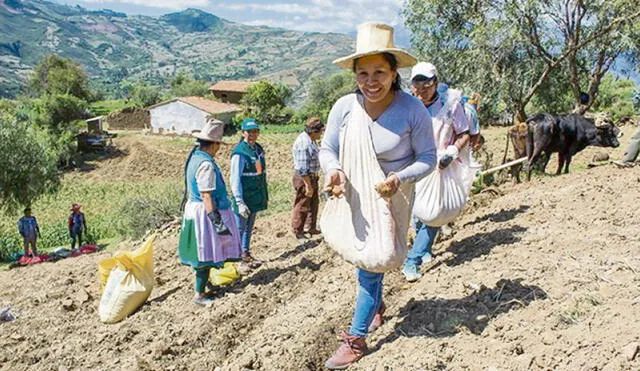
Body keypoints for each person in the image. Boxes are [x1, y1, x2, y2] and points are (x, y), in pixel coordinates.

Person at [320, 22, 437, 369]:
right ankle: (378, 307)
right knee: (364, 262)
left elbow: (428, 158)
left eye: (379, 73)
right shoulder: (344, 108)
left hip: (391, 200)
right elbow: (328, 149)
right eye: (363, 73)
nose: (371, 81)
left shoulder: (411, 110)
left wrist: (399, 177)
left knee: (372, 266)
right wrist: (334, 171)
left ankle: (356, 340)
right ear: (355, 74)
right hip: (353, 198)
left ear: (394, 72)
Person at [402, 62, 471, 283]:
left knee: (434, 213)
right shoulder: (408, 106)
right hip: (414, 165)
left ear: (436, 83)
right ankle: (426, 249)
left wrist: (452, 151)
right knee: (417, 211)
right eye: (417, 83)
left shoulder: (450, 106)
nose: (421, 88)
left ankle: (412, 260)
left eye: (427, 83)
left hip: (440, 165)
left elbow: (465, 133)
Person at [178, 119, 242, 306]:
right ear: (214, 144)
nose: (218, 149)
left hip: (195, 209)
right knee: (204, 253)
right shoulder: (205, 165)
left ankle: (205, 285)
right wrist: (216, 219)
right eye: (218, 145)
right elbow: (206, 195)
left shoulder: (195, 157)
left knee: (207, 251)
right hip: (204, 212)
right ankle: (199, 294)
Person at [230, 118, 268, 271]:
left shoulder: (257, 149)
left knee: (249, 227)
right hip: (244, 196)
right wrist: (239, 201)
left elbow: (259, 171)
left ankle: (245, 253)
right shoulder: (239, 153)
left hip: (255, 195)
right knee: (239, 228)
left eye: (255, 131)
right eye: (249, 132)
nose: (252, 134)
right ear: (243, 133)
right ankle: (236, 259)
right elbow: (235, 178)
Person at [291, 117, 324, 241]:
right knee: (302, 204)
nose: (321, 134)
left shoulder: (311, 140)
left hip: (312, 176)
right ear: (314, 131)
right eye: (320, 131)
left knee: (313, 203)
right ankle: (298, 231)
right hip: (304, 178)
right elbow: (302, 168)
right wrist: (308, 185)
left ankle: (310, 227)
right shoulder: (303, 143)